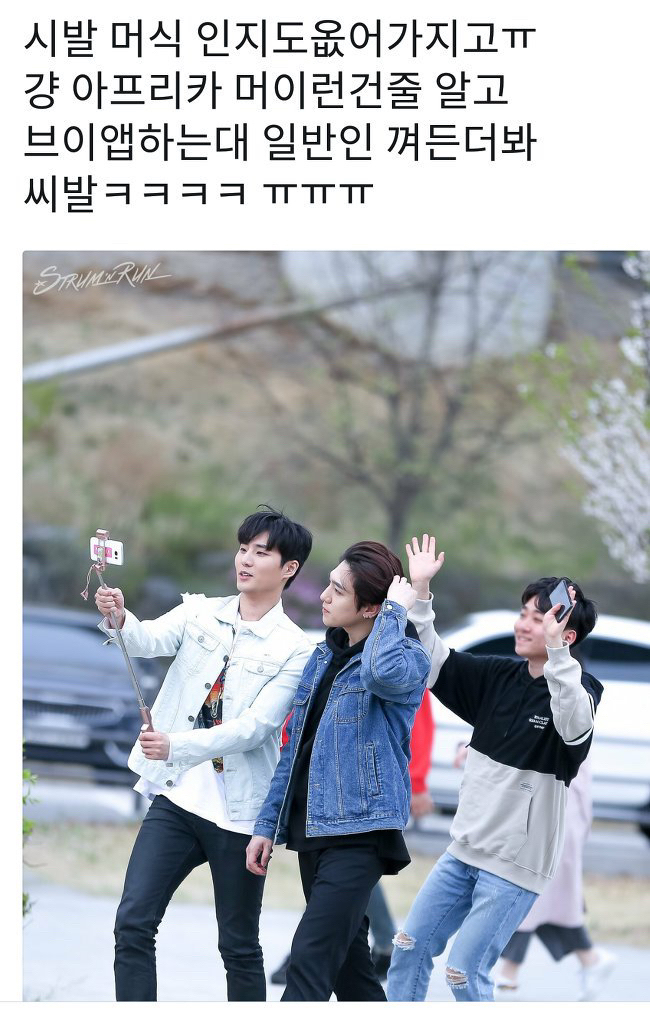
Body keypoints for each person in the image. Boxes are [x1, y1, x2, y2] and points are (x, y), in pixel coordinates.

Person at [94, 506, 313, 1002]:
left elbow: (255, 728)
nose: (245, 560)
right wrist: (120, 617)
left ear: (289, 568)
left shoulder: (296, 649)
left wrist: (177, 745)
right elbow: (146, 639)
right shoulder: (199, 612)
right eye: (243, 548)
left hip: (239, 815)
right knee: (133, 922)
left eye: (261, 552)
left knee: (237, 945)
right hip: (177, 801)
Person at [386, 538, 603, 1003]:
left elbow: (574, 725)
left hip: (514, 867)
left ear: (566, 635)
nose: (523, 624)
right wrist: (421, 592)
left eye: (538, 618)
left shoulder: (580, 690)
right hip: (463, 850)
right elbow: (432, 659)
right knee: (407, 947)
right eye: (523, 613)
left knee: (464, 974)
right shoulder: (497, 676)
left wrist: (558, 656)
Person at [246, 540, 432, 1001]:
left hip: (360, 832)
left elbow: (380, 674)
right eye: (328, 585)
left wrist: (395, 611)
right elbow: (295, 748)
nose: (324, 596)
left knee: (309, 960)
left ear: (370, 607)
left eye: (338, 590)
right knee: (351, 970)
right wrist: (267, 824)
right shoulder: (323, 656)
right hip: (313, 827)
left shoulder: (408, 659)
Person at [495, 757, 617, 1001]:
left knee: (537, 891)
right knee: (549, 900)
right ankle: (590, 959)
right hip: (544, 796)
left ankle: (509, 974)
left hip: (558, 799)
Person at [369, 692, 436, 981]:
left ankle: (385, 943)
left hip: (381, 781)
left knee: (353, 863)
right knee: (344, 865)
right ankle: (383, 943)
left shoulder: (404, 663)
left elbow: (420, 724)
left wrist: (417, 782)